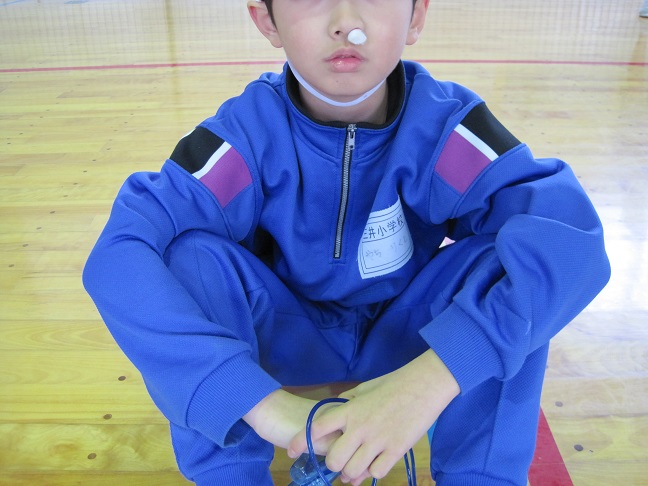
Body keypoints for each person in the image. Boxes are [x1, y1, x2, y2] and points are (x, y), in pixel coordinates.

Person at [82, 0, 611, 484]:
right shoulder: (242, 138)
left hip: (408, 334)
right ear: (267, 20)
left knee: (511, 264)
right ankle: (230, 476)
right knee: (188, 256)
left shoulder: (448, 130)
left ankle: (480, 477)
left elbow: (574, 242)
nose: (346, 22)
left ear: (416, 16)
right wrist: (263, 405)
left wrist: (431, 380)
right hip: (287, 335)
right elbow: (120, 251)